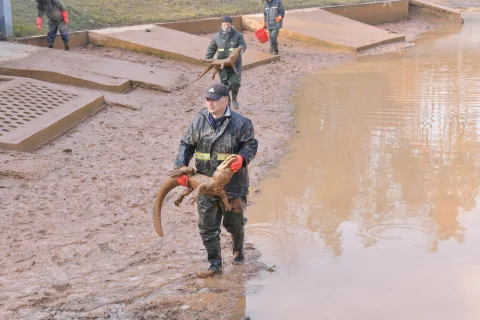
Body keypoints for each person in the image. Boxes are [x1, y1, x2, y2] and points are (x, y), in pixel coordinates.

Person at [174, 83, 258, 278]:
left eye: (214, 99)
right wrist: (181, 168)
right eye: (207, 99)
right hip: (204, 183)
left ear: (225, 100)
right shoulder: (199, 120)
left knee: (235, 224)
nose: (209, 103)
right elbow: (186, 144)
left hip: (233, 186)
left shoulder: (241, 123)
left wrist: (242, 158)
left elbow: (251, 145)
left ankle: (238, 253)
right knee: (207, 228)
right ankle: (215, 264)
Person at [205, 16, 247, 109]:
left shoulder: (238, 35)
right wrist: (208, 57)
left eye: (228, 26)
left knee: (236, 82)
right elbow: (211, 48)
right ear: (221, 25)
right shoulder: (217, 37)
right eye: (224, 25)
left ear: (231, 25)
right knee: (224, 85)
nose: (226, 27)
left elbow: (243, 45)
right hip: (222, 66)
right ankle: (227, 103)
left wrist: (240, 49)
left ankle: (234, 99)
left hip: (235, 65)